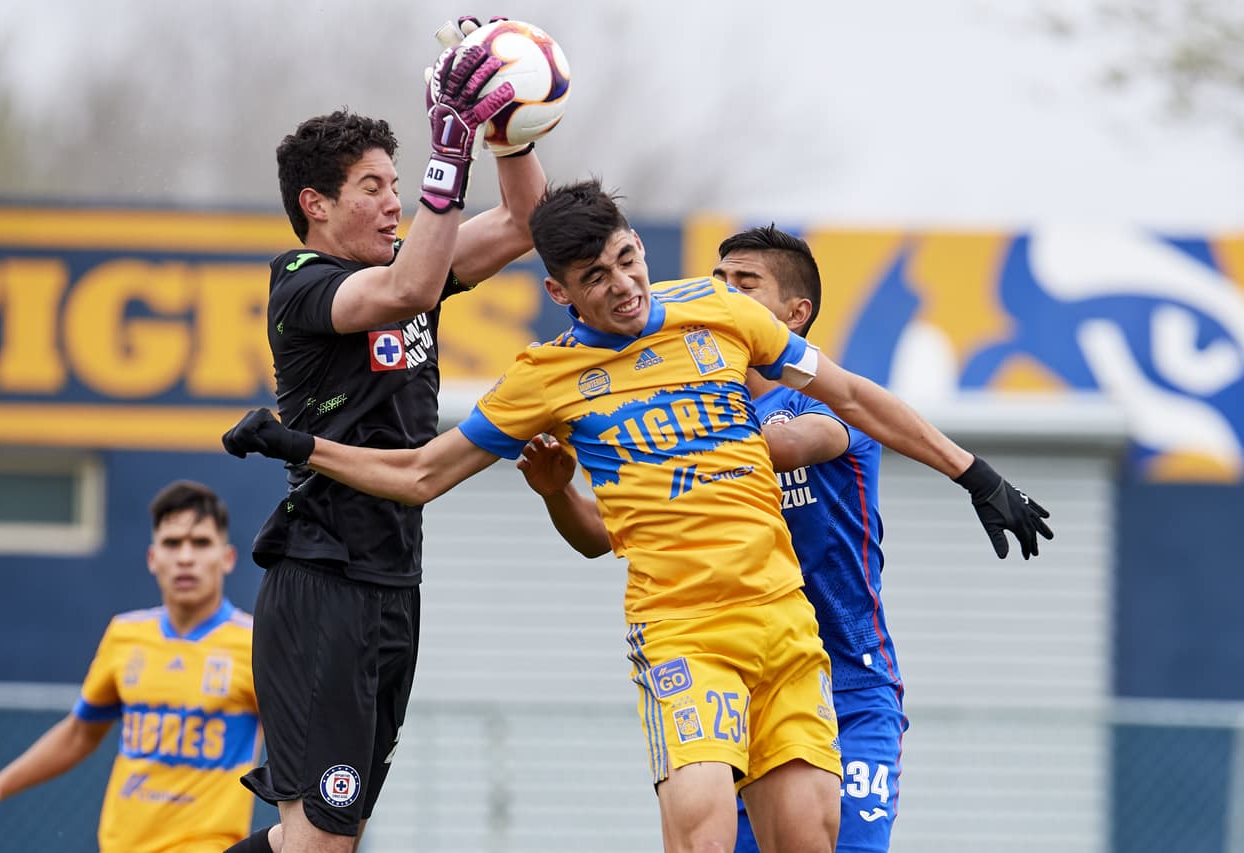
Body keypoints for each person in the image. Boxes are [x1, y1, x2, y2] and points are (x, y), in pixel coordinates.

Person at [221, 179, 1052, 853]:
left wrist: (975, 475)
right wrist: (301, 444)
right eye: (595, 278)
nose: (621, 287)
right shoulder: (544, 378)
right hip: (685, 636)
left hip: (786, 631)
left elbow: (853, 396)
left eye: (627, 260)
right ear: (559, 290)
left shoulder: (721, 313)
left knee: (811, 837)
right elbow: (419, 475)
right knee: (700, 830)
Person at [230, 33, 550, 853]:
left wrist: (507, 131)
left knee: (335, 836)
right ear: (316, 205)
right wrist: (450, 147)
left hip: (393, 579)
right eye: (371, 186)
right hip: (324, 576)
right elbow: (407, 288)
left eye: (399, 183)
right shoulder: (300, 285)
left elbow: (524, 222)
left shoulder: (412, 265)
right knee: (323, 838)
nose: (392, 202)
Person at [515, 225, 914, 852]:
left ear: (794, 314)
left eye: (742, 284)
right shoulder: (693, 401)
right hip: (727, 672)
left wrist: (650, 432)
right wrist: (560, 491)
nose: (720, 293)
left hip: (848, 679)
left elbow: (800, 439)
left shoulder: (824, 401)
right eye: (717, 280)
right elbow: (599, 536)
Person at [0, 480, 262, 853]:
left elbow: (303, 740)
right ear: (153, 558)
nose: (186, 557)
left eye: (200, 543)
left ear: (227, 558)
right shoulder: (125, 634)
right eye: (172, 543)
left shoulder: (257, 643)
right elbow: (79, 734)